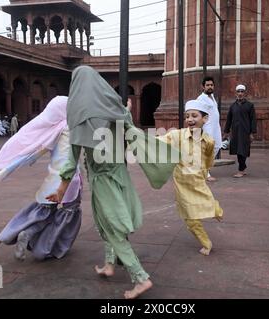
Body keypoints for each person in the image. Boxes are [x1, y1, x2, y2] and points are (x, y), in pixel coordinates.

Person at [48, 66, 177, 299]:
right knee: (106, 223)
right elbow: (126, 118)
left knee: (113, 228)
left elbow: (71, 160)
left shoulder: (79, 118)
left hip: (102, 181)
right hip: (120, 175)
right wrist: (125, 108)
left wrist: (60, 191)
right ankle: (109, 264)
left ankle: (140, 278)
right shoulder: (115, 111)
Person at [0, 96, 82, 261]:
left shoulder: (54, 131)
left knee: (45, 211)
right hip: (70, 180)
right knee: (67, 213)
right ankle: (48, 249)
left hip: (52, 180)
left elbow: (31, 153)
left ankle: (28, 232)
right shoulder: (75, 128)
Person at [157, 99, 223, 256]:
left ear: (204, 119)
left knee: (208, 203)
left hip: (198, 181)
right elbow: (157, 142)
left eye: (194, 115)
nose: (190, 119)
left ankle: (215, 209)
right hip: (182, 184)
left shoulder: (209, 141)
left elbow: (208, 159)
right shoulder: (176, 136)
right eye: (187, 116)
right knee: (190, 218)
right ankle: (206, 242)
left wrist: (205, 172)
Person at [223, 85, 257, 178]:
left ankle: (241, 170)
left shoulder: (250, 105)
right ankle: (243, 167)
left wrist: (252, 133)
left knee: (244, 151)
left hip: (246, 132)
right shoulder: (233, 106)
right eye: (238, 92)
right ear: (236, 93)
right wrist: (226, 132)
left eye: (242, 92)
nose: (240, 94)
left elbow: (253, 119)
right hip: (236, 132)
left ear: (245, 93)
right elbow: (229, 120)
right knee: (238, 151)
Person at [197, 76, 223, 182]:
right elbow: (198, 114)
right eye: (207, 85)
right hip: (207, 127)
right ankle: (206, 172)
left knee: (217, 145)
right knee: (208, 148)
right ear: (203, 87)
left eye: (211, 85)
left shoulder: (212, 96)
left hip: (216, 126)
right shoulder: (200, 99)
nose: (210, 87)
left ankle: (204, 168)